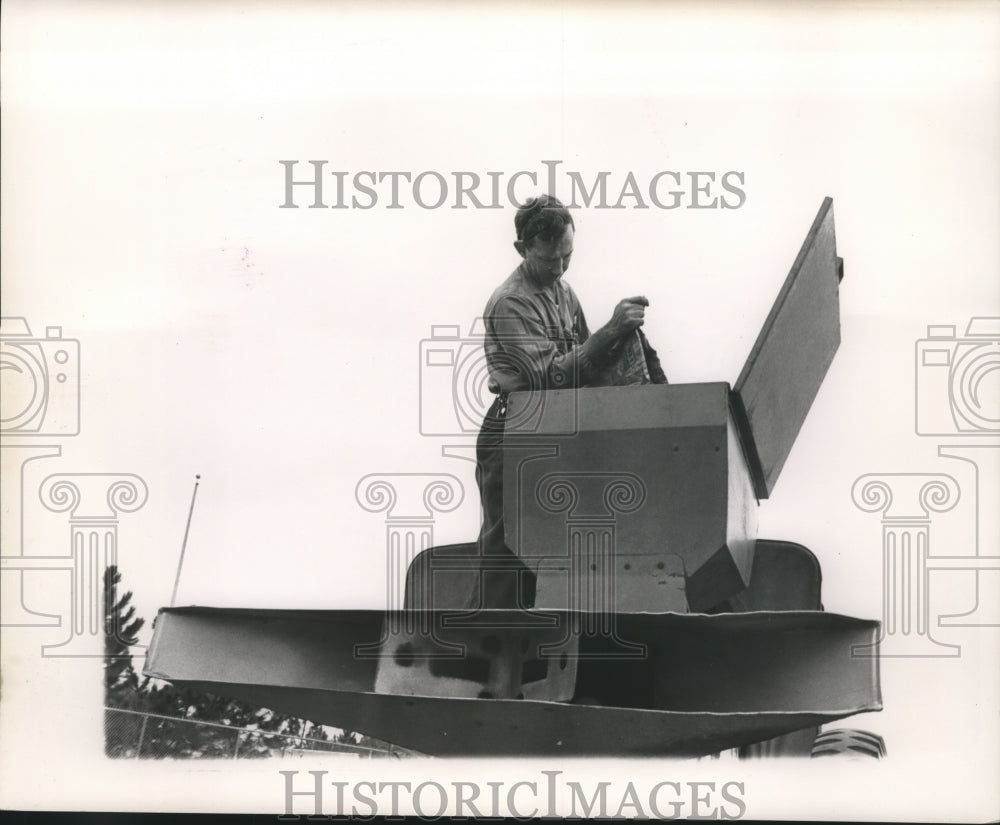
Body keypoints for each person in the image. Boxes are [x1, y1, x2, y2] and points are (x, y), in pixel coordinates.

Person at [471, 194, 664, 609]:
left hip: (557, 425)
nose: (558, 268)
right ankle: (482, 643)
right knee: (508, 545)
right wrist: (612, 331)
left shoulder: (563, 291)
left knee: (554, 539)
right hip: (514, 431)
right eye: (548, 260)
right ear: (522, 249)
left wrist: (623, 342)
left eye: (567, 257)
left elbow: (586, 365)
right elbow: (551, 377)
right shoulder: (511, 302)